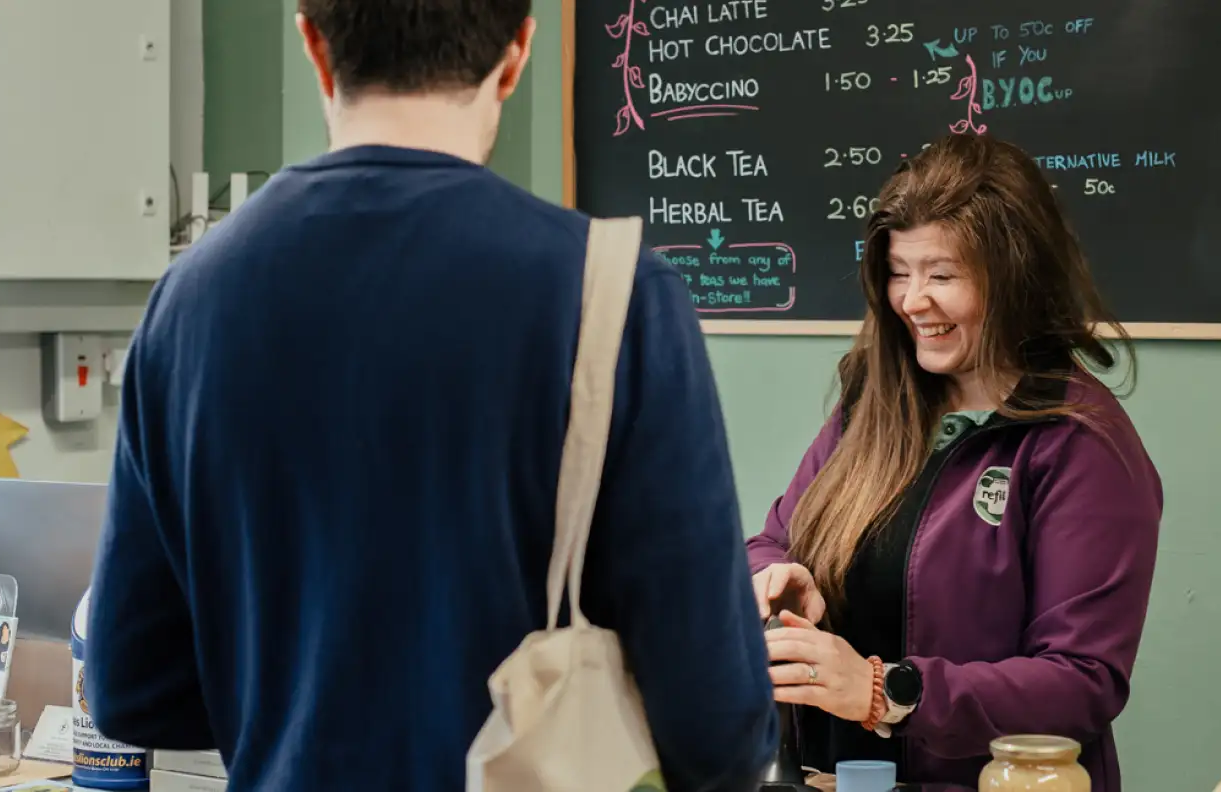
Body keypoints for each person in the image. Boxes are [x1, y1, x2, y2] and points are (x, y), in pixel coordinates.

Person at [82, 1, 777, 789]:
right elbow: (718, 732)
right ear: (518, 52)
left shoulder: (188, 300)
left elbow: (135, 691)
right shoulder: (615, 294)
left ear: (312, 42)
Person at [748, 133, 1163, 790]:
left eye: (942, 275)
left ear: (1015, 277)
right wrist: (776, 576)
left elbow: (1082, 683)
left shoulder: (1082, 443)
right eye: (898, 272)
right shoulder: (876, 403)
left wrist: (887, 691)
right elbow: (773, 539)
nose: (913, 301)